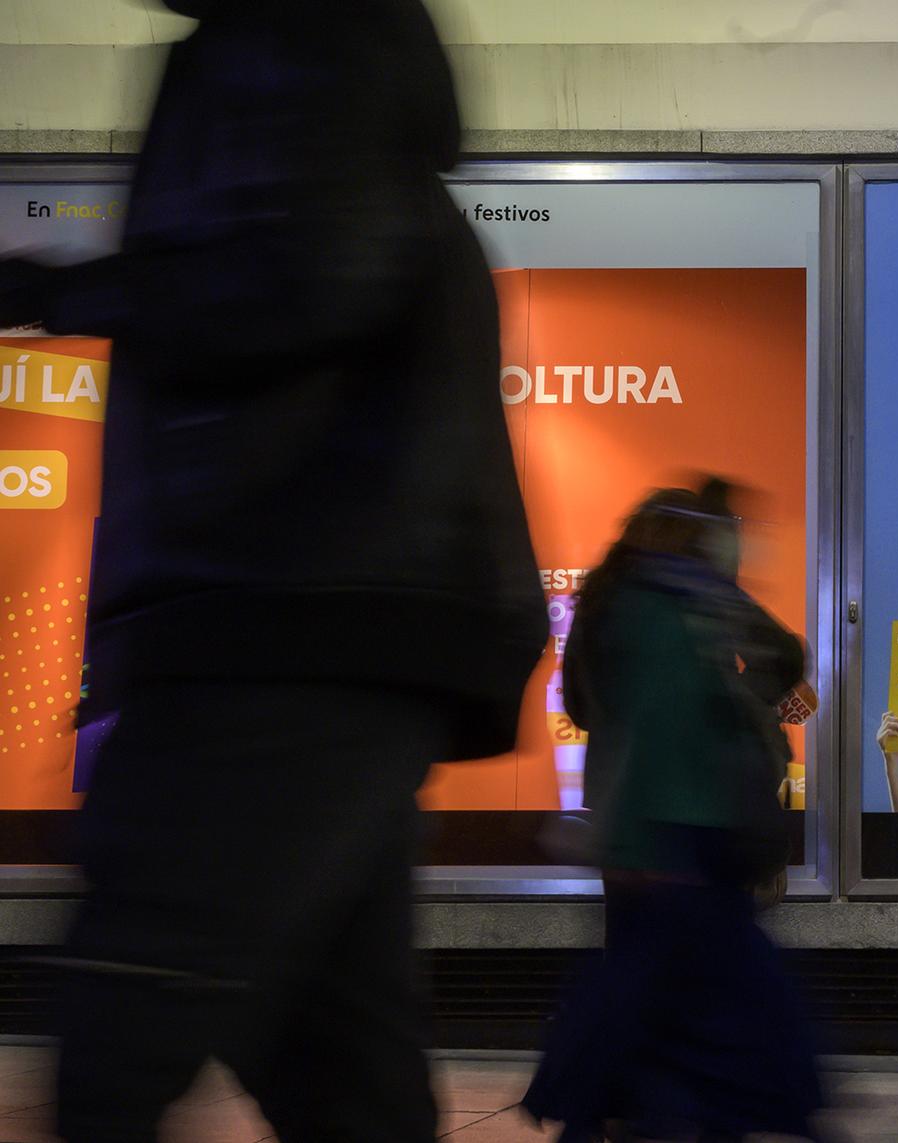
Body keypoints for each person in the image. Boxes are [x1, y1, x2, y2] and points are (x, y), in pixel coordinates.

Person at [0, 2, 547, 1138]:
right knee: (339, 1069)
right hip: (334, 615)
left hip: (279, 608)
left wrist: (60, 294)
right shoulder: (326, 50)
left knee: (128, 1017)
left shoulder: (298, 35)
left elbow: (297, 277)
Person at [524, 482, 823, 1143]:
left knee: (635, 964)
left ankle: (607, 1108)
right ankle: (671, 1105)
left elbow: (576, 704)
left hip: (625, 818)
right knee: (697, 975)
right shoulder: (693, 597)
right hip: (695, 818)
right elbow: (785, 653)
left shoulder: (605, 600)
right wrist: (743, 705)